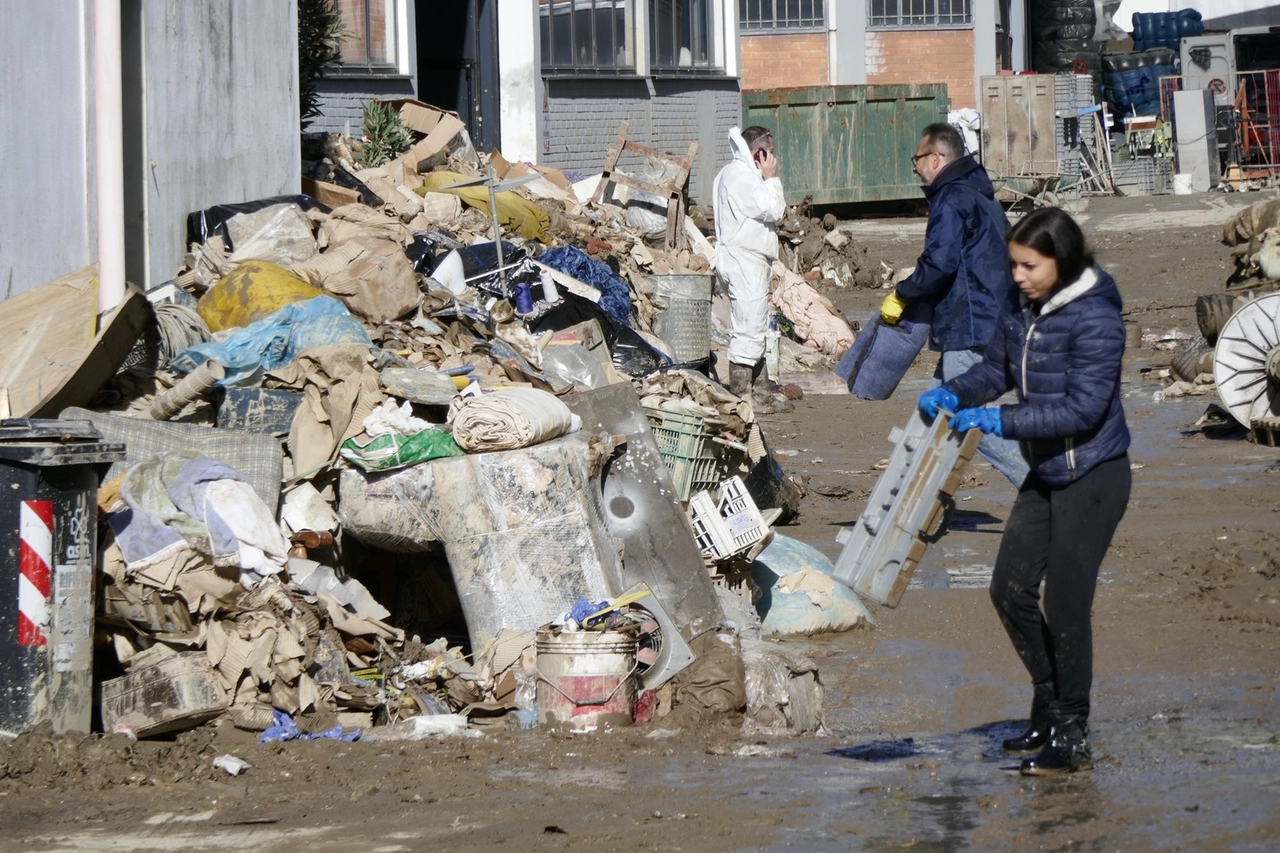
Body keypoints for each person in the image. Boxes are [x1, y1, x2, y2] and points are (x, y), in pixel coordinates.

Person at [916, 207, 1132, 775]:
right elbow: (996, 369)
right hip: (1048, 472)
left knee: (1064, 603)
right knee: (1008, 589)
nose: (1016, 276)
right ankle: (1047, 699)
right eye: (1013, 264)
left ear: (1061, 262)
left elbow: (1084, 410)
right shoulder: (1022, 307)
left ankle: (1071, 728)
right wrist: (956, 393)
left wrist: (999, 423)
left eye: (1028, 266)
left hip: (1094, 474)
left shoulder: (1097, 318)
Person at [882, 123, 1028, 488]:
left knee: (959, 413)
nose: (914, 167)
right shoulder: (982, 194)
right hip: (991, 315)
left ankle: (1038, 482)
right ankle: (913, 497)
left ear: (935, 158)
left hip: (971, 323)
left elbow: (939, 264)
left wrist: (903, 293)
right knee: (932, 408)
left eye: (916, 159)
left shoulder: (951, 198)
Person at [712, 125, 792, 414]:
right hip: (744, 261)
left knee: (755, 325)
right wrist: (771, 179)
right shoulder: (741, 177)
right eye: (769, 152)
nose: (773, 158)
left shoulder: (733, 173)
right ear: (758, 152)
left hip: (745, 259)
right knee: (749, 329)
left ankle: (761, 393)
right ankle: (742, 398)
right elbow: (773, 209)